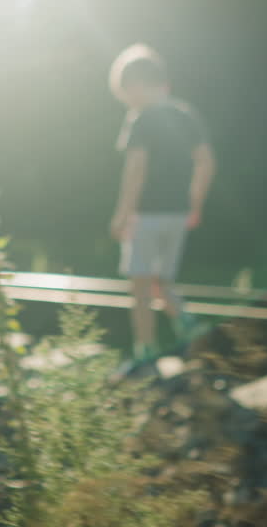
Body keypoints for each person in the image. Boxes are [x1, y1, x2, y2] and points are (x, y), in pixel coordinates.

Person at [108, 43, 215, 374]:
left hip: (146, 214)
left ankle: (145, 350)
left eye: (125, 93)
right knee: (162, 278)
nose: (126, 100)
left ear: (136, 86)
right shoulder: (185, 115)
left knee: (140, 285)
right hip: (178, 213)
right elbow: (206, 163)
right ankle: (185, 322)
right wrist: (194, 202)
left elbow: (136, 170)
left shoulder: (141, 120)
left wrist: (123, 214)